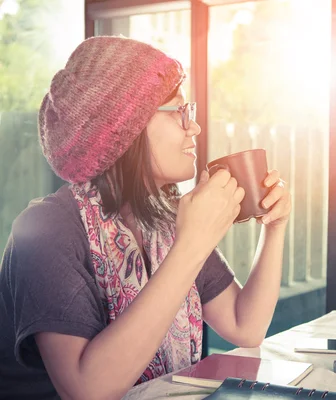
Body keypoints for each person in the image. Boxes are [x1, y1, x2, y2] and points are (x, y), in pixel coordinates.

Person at [0, 36, 291, 400]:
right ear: (124, 130)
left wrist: (274, 228)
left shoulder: (164, 218)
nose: (194, 128)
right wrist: (191, 245)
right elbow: (87, 390)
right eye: (179, 112)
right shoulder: (44, 231)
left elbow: (244, 324)